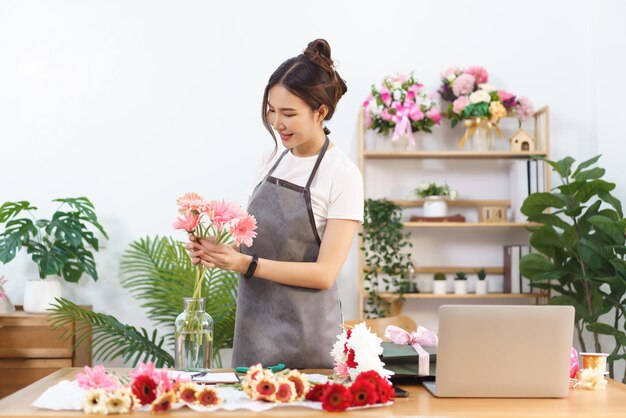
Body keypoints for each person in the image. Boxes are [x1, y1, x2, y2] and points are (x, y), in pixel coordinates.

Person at [187, 38, 363, 368]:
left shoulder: (342, 175)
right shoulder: (270, 158)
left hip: (308, 344)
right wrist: (220, 252)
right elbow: (257, 243)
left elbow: (324, 274)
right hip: (253, 337)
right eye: (271, 110)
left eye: (288, 113)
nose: (276, 122)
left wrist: (246, 265)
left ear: (320, 112)